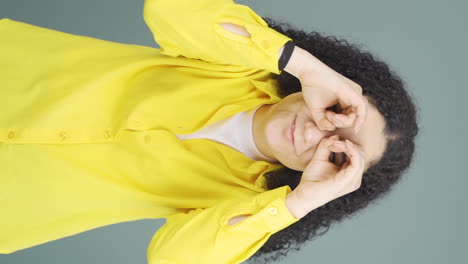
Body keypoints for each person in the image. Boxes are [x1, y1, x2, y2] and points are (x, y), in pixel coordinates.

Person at [0, 0, 419, 263]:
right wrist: (305, 66)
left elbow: (171, 259)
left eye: (339, 156)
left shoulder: (247, 210)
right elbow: (167, 7)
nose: (316, 137)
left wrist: (302, 202)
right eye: (338, 113)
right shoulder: (244, 61)